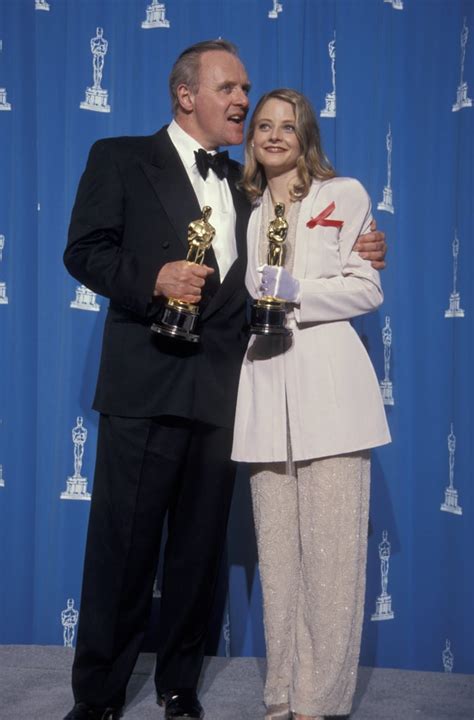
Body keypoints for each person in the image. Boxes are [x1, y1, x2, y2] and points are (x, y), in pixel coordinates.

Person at [63, 40, 387, 720]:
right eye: (231, 89)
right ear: (187, 95)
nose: (244, 99)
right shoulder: (120, 156)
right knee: (122, 552)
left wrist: (365, 242)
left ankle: (181, 687)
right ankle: (98, 697)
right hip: (145, 388)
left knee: (198, 555)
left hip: (227, 396)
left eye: (247, 89)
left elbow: (304, 244)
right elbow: (85, 250)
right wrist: (150, 279)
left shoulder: (252, 190)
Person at [231, 88, 392, 720]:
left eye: (287, 127)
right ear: (252, 140)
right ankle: (280, 695)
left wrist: (295, 290)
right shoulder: (251, 211)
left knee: (333, 563)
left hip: (332, 394)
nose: (274, 136)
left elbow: (365, 288)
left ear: (306, 138)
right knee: (278, 562)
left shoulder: (343, 194)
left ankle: (316, 704)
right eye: (264, 126)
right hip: (267, 392)